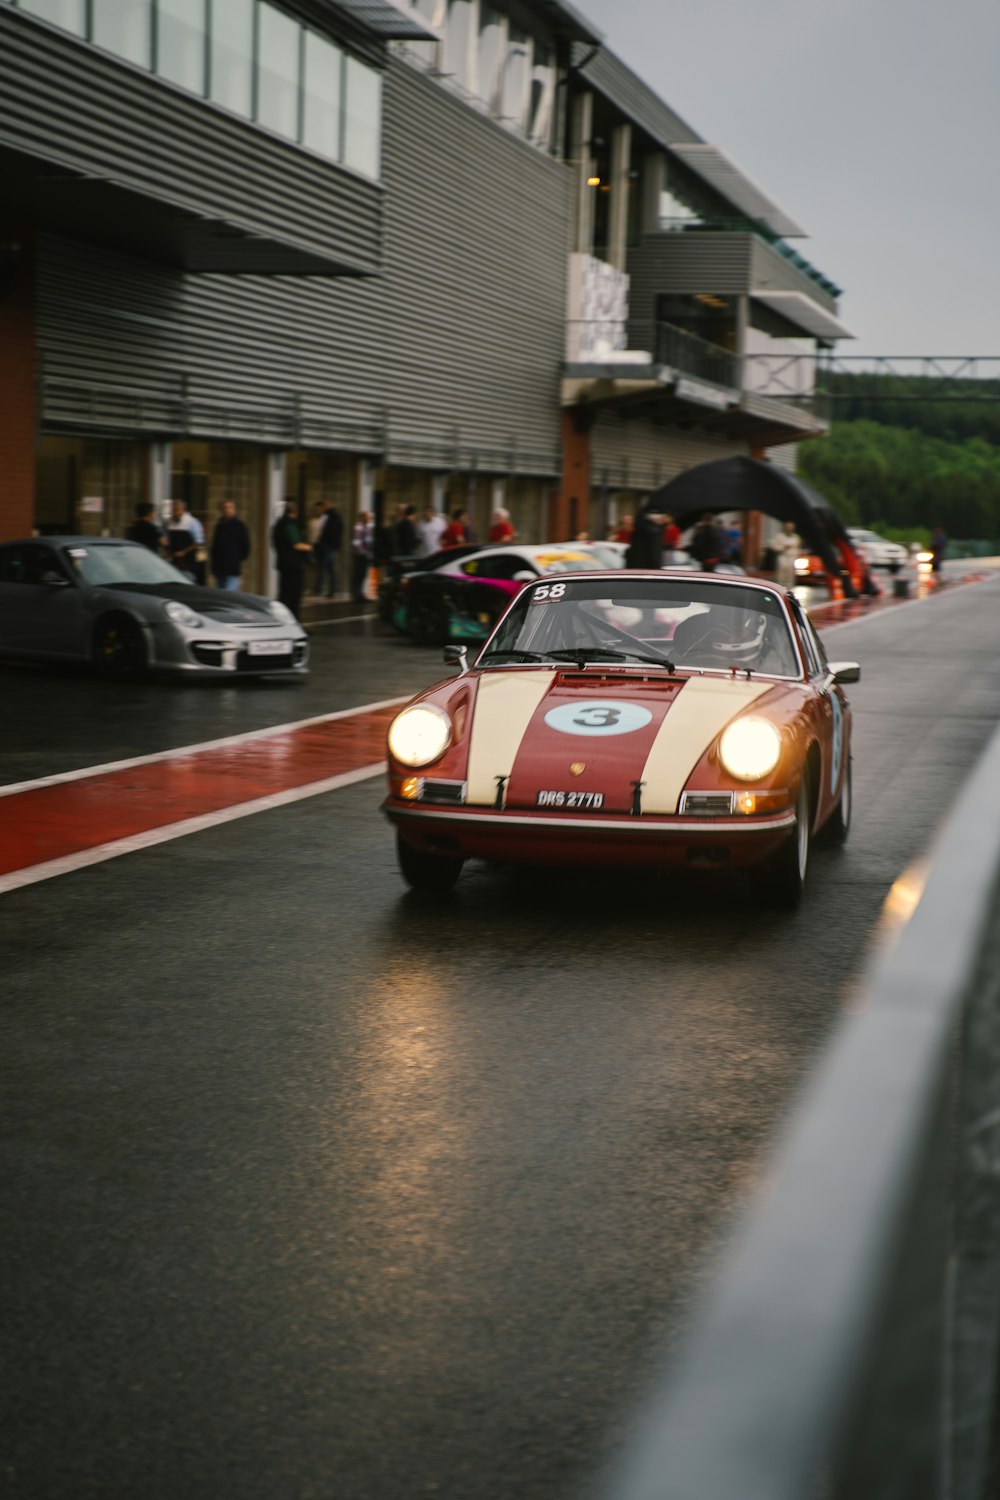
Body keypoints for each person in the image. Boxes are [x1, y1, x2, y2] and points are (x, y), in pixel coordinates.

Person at [271, 498, 312, 619]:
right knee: (293, 596)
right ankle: (293, 622)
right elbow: (297, 544)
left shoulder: (277, 525)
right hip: (293, 565)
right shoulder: (289, 525)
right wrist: (310, 547)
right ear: (294, 512)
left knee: (284, 594)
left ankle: (282, 620)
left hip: (283, 564)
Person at [210, 499, 251, 591]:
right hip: (219, 569)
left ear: (234, 509)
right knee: (220, 595)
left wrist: (235, 558)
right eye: (224, 508)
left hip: (232, 568)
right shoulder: (219, 526)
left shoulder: (240, 526)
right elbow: (215, 546)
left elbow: (246, 547)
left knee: (229, 594)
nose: (227, 510)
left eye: (229, 507)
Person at [166, 498, 205, 581]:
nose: (174, 513)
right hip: (174, 561)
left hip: (188, 561)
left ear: (183, 509)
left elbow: (199, 542)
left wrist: (184, 552)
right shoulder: (169, 522)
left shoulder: (192, 522)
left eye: (176, 510)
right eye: (173, 510)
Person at [314, 500, 343, 597]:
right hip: (331, 546)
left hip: (327, 546)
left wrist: (322, 542)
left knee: (323, 568)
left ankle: (319, 589)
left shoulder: (329, 517)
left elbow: (325, 532)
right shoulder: (336, 516)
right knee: (330, 569)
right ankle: (332, 590)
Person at [625, 503, 667, 568]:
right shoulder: (655, 533)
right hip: (647, 572)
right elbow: (655, 557)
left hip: (634, 570)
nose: (663, 520)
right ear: (656, 518)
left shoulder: (638, 530)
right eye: (662, 517)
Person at [351, 509, 375, 602]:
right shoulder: (359, 527)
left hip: (366, 555)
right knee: (358, 575)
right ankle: (356, 595)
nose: (369, 518)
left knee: (362, 575)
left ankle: (359, 593)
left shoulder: (367, 527)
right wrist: (362, 552)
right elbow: (356, 542)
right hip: (361, 556)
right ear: (363, 517)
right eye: (367, 516)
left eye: (369, 517)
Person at [773, 520, 802, 588]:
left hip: (792, 558)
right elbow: (774, 546)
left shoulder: (795, 537)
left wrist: (797, 555)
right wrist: (784, 547)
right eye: (788, 527)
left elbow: (797, 548)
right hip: (783, 557)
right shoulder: (779, 536)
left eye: (791, 527)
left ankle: (789, 591)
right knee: (781, 577)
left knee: (790, 577)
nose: (789, 529)